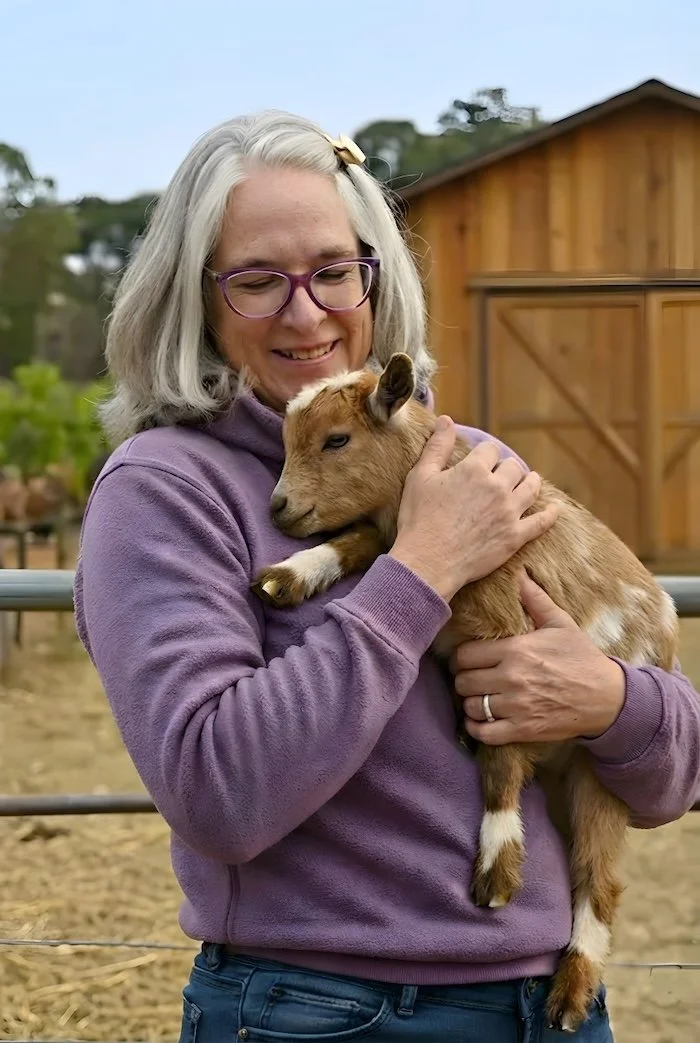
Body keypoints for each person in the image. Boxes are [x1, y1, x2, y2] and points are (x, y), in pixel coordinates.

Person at [73, 110, 700, 1043]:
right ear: (192, 299)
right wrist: (419, 570)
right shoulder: (165, 491)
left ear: (376, 275)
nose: (307, 310)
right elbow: (218, 792)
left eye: (334, 271)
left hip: (548, 1009)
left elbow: (670, 778)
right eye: (256, 281)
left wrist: (606, 699)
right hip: (321, 1010)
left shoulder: (470, 464)